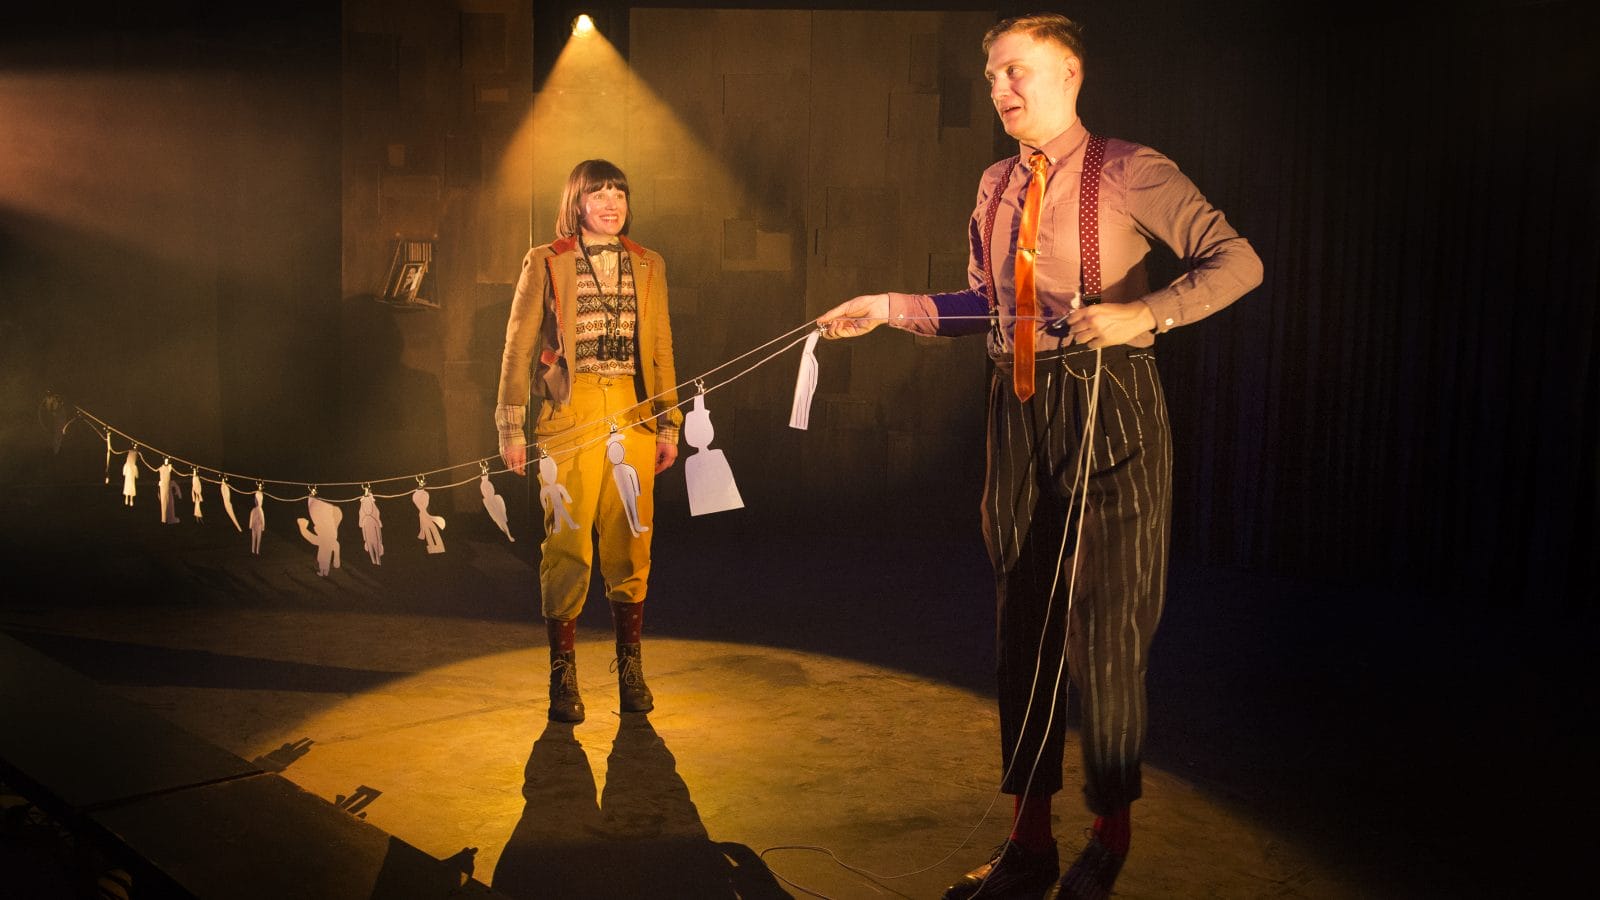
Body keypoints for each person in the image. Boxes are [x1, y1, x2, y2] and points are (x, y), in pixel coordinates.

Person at [818, 14, 1262, 900]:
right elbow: (988, 304)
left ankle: (1110, 830)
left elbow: (1237, 261)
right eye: (991, 76)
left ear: (1069, 73)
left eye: (1014, 71)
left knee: (1109, 626)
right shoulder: (995, 183)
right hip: (1017, 410)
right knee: (1023, 623)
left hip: (1111, 403)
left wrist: (1146, 313)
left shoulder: (1133, 169)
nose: (999, 89)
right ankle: (1028, 841)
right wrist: (891, 306)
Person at [496, 159, 681, 724]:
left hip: (631, 408)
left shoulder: (648, 263)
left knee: (632, 541)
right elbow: (517, 346)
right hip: (570, 412)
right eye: (599, 193)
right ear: (576, 202)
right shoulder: (546, 260)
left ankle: (630, 670)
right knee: (568, 543)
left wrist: (668, 422)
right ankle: (563, 674)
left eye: (618, 193)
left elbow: (661, 346)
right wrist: (511, 428)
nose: (611, 203)